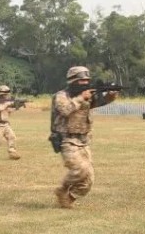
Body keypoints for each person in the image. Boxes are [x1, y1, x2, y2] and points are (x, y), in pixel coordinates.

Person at [50, 66, 119, 208]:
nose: (85, 83)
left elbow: (100, 102)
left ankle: (69, 197)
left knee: (88, 180)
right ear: (73, 81)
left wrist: (111, 95)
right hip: (67, 140)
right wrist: (81, 98)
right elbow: (65, 110)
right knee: (81, 170)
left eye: (87, 80)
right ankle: (62, 189)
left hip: (84, 141)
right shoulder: (62, 95)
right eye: (82, 80)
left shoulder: (87, 94)